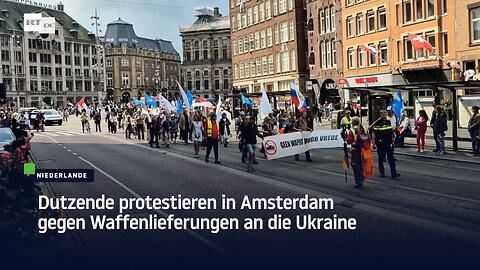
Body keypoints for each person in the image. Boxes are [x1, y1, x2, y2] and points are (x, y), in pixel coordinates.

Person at [372, 110, 400, 179]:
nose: (384, 116)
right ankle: (382, 172)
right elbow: (374, 134)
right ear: (380, 115)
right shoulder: (377, 123)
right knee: (381, 158)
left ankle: (394, 173)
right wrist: (374, 143)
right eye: (383, 115)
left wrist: (392, 140)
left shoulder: (388, 122)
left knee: (391, 159)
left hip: (388, 143)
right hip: (380, 143)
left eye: (385, 115)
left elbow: (390, 132)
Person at [347, 117, 371, 189]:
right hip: (363, 150)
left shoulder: (352, 130)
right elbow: (368, 138)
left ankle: (358, 182)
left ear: (353, 122)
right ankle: (361, 179)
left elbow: (349, 140)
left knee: (355, 165)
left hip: (355, 150)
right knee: (362, 165)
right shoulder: (364, 128)